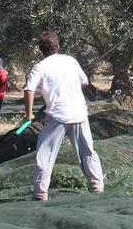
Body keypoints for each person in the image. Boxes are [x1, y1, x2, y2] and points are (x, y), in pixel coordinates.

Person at [23, 31, 104, 202]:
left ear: (41, 50)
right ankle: (97, 188)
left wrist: (29, 114)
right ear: (58, 46)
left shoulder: (40, 66)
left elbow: (29, 89)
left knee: (44, 154)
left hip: (57, 116)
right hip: (78, 113)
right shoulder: (71, 61)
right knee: (87, 152)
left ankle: (40, 194)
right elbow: (85, 82)